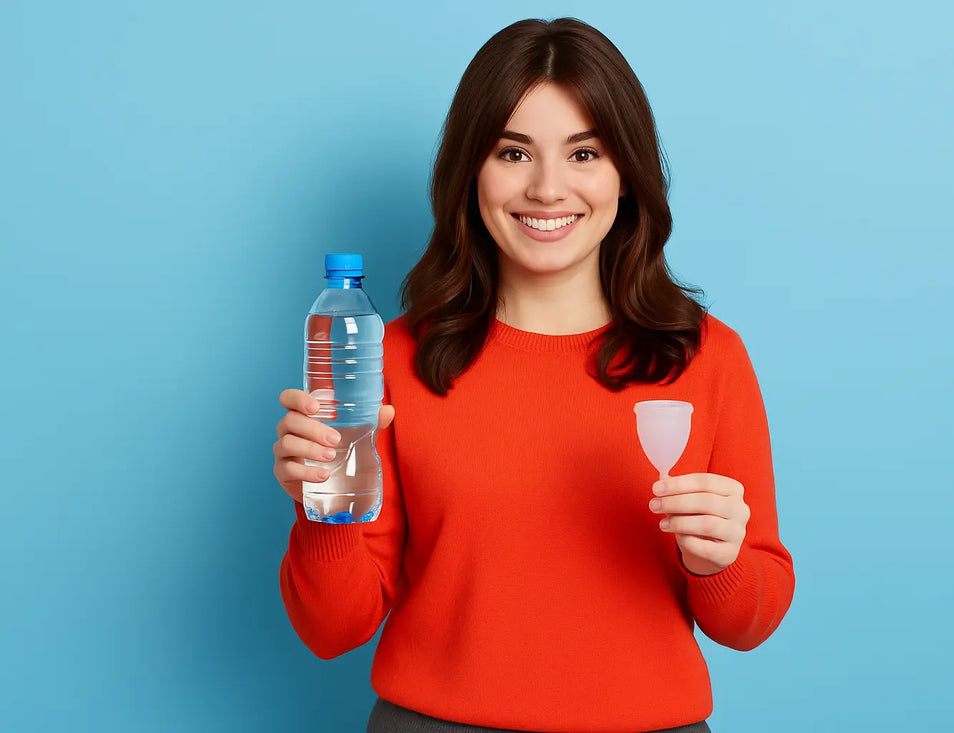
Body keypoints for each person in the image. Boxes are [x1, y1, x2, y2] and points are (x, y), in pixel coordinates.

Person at [273, 17, 795, 733]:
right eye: (514, 152)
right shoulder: (390, 360)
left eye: (584, 153)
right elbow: (331, 628)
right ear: (471, 172)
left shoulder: (707, 358)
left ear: (626, 174)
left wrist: (722, 561)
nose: (548, 188)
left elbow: (749, 621)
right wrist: (320, 505)